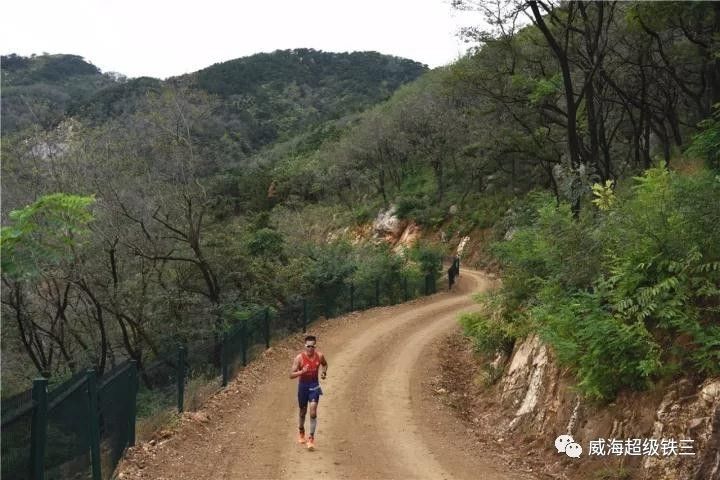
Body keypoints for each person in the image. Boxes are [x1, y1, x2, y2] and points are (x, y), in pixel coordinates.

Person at [289, 335, 328, 450]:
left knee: (313, 412)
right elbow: (291, 375)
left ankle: (311, 438)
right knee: (302, 412)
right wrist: (302, 371)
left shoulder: (320, 356)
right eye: (308, 346)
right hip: (303, 387)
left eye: (312, 346)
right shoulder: (299, 358)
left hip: (314, 386)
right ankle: (301, 431)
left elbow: (325, 365)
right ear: (305, 346)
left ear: (315, 346)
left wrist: (324, 373)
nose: (310, 348)